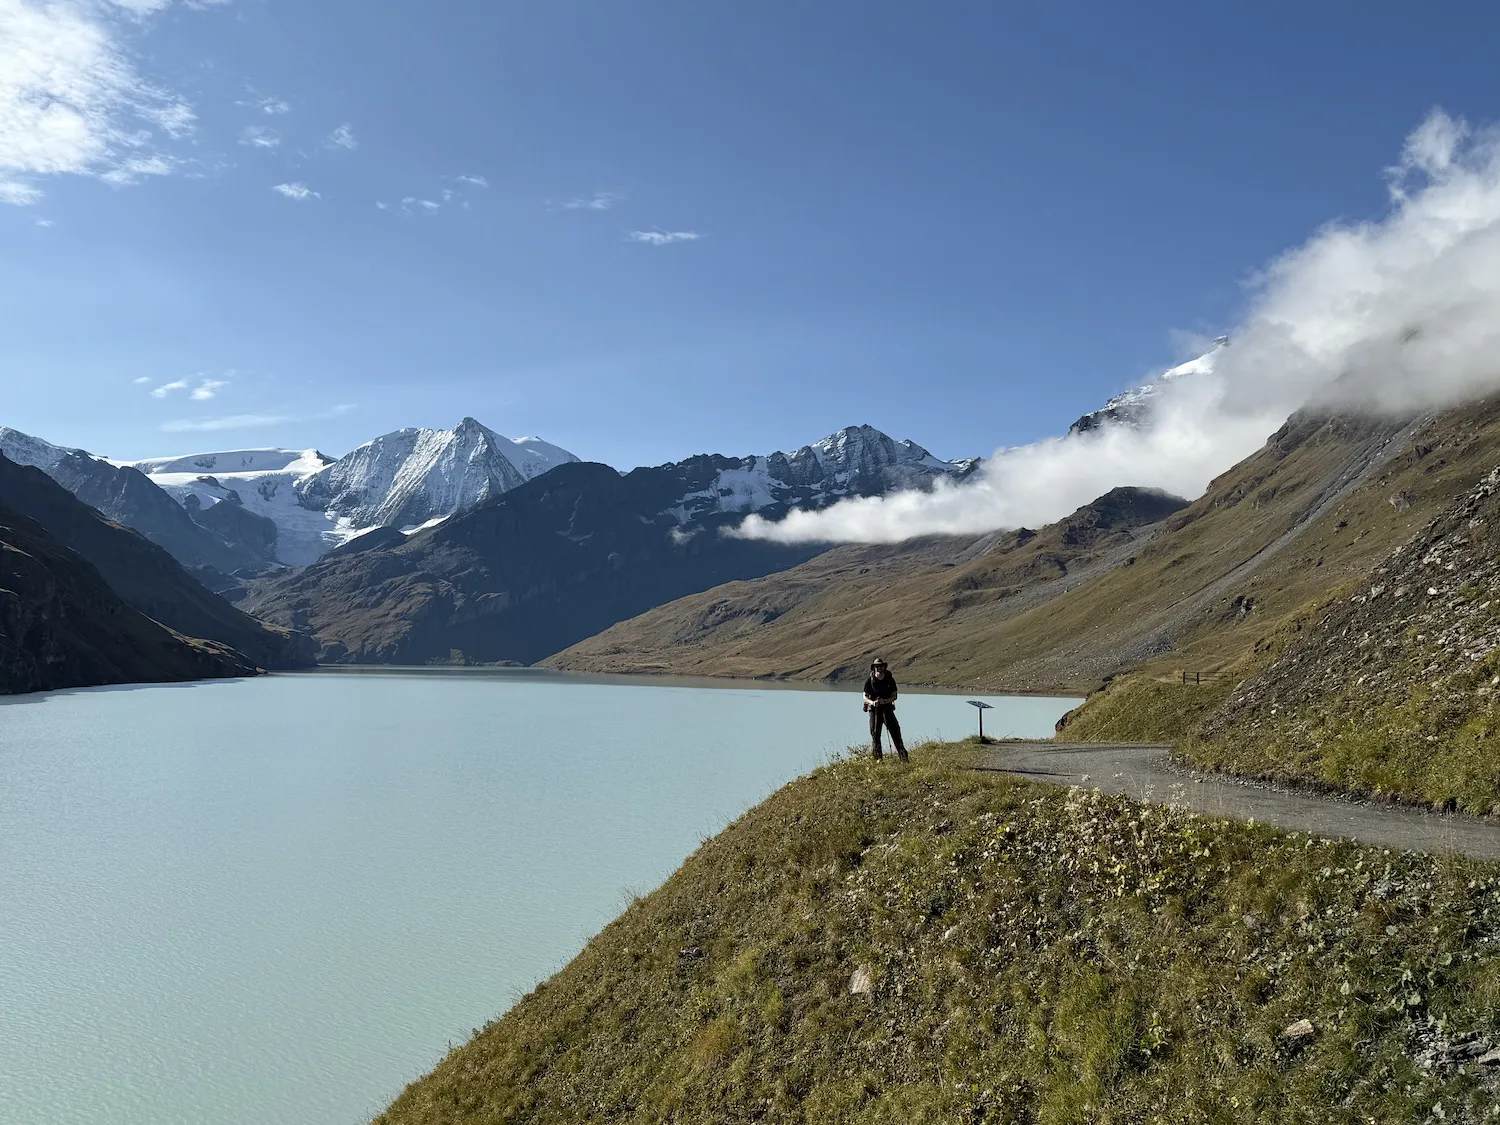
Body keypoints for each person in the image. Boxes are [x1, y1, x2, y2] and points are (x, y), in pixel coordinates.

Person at [862, 657, 908, 762]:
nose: (879, 668)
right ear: (874, 668)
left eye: (880, 666)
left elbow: (894, 696)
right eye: (877, 666)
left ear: (884, 667)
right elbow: (864, 696)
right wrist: (872, 702)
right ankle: (878, 760)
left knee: (896, 733)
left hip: (887, 709)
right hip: (874, 711)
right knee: (875, 735)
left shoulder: (889, 679)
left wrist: (885, 701)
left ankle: (904, 759)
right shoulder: (870, 680)